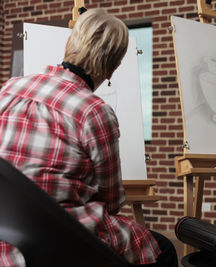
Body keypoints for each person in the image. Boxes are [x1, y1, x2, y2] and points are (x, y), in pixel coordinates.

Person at [0, 8, 177, 267]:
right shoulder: (94, 112)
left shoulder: (9, 87)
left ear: (68, 44)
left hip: (6, 235)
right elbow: (111, 201)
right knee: (164, 249)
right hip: (58, 241)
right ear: (114, 68)